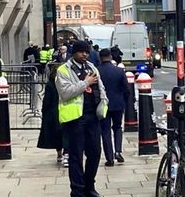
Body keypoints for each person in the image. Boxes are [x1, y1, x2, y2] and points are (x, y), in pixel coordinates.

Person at [56, 41, 109, 197]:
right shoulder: (63, 70)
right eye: (81, 52)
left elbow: (100, 87)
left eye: (86, 52)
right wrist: (85, 82)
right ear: (74, 53)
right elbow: (65, 93)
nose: (84, 54)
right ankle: (77, 190)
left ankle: (89, 186)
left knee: (95, 153)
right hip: (75, 119)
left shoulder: (91, 67)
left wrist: (104, 101)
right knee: (75, 156)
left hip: (93, 117)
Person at [97, 48, 128, 167]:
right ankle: (118, 151)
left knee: (105, 131)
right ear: (110, 57)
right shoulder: (119, 71)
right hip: (118, 104)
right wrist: (124, 101)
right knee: (118, 127)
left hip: (103, 105)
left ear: (100, 58)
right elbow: (126, 89)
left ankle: (109, 158)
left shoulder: (97, 71)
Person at [37, 64, 65, 163]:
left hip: (53, 112)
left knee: (56, 133)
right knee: (65, 133)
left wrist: (44, 110)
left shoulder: (50, 84)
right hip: (65, 110)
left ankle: (59, 154)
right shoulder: (66, 83)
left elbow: (47, 100)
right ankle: (66, 153)